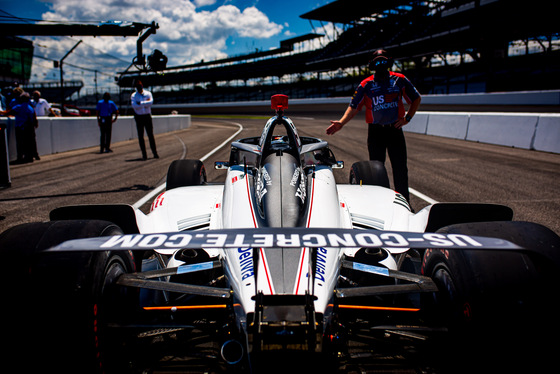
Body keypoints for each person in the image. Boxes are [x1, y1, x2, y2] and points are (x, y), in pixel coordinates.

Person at [326, 49, 421, 204]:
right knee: (377, 170)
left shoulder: (400, 80)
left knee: (400, 169)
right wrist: (341, 122)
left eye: (383, 61)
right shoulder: (366, 85)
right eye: (377, 62)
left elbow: (416, 98)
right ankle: (379, 204)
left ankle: (404, 204)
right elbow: (354, 106)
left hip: (395, 129)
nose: (381, 65)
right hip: (376, 132)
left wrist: (407, 118)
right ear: (372, 65)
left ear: (389, 62)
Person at [0, 92, 38, 164]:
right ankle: (29, 157)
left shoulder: (18, 107)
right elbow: (34, 118)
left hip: (21, 127)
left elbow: (7, 113)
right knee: (29, 142)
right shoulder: (31, 108)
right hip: (30, 127)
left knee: (20, 143)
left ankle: (20, 157)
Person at [131, 80, 158, 160]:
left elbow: (151, 102)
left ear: (142, 85)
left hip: (147, 116)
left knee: (150, 135)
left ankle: (155, 153)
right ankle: (144, 154)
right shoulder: (134, 95)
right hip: (139, 117)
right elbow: (134, 106)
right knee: (140, 136)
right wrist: (145, 103)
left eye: (140, 85)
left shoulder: (148, 93)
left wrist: (141, 103)